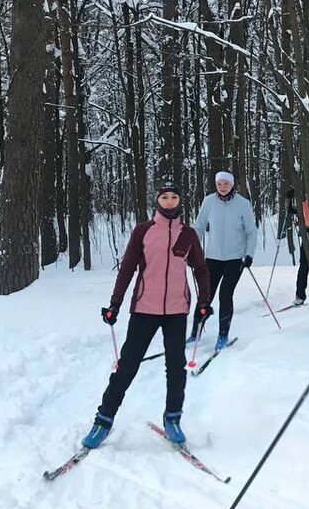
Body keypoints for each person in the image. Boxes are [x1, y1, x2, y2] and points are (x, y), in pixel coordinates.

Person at [82, 184, 213, 448]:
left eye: (174, 197)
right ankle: (103, 420)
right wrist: (115, 304)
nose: (169, 201)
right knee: (127, 366)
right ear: (157, 201)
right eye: (164, 197)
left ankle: (172, 418)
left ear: (179, 200)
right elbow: (127, 268)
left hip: (176, 310)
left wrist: (204, 301)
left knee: (176, 367)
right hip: (144, 309)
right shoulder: (144, 231)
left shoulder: (188, 234)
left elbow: (200, 268)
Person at [190, 170, 258, 351]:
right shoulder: (209, 201)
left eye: (226, 184)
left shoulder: (243, 204)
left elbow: (251, 231)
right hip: (212, 258)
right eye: (219, 184)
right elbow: (198, 227)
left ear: (232, 185)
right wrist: (193, 253)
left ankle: (223, 334)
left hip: (235, 259)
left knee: (225, 295)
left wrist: (249, 254)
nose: (222, 187)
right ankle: (195, 332)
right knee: (206, 295)